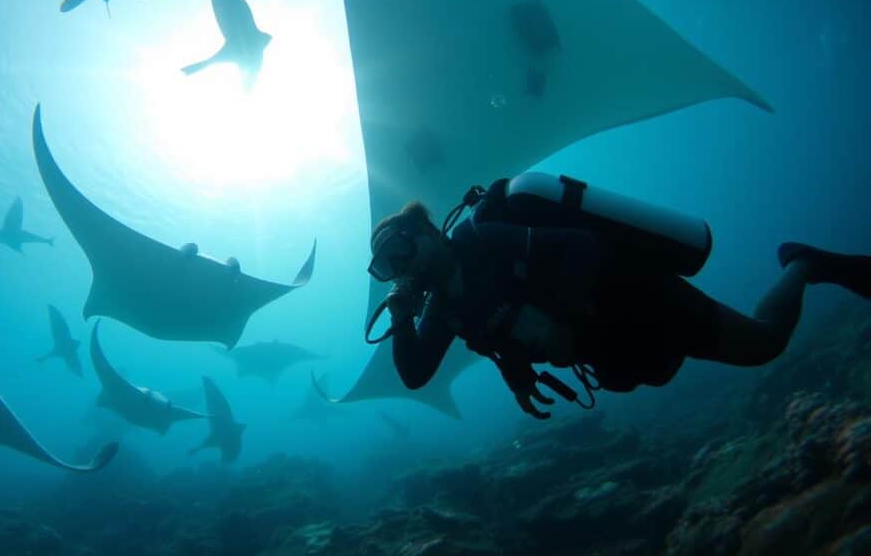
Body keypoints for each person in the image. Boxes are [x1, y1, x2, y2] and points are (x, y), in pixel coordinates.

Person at [368, 178, 871, 418]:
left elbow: (581, 246)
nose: (399, 266)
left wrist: (562, 323)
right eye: (386, 265)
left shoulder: (485, 240)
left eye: (400, 248)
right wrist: (403, 319)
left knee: (763, 345)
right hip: (609, 344)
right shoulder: (439, 311)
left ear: (428, 230)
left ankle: (803, 263)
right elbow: (416, 374)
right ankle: (805, 265)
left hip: (637, 297)